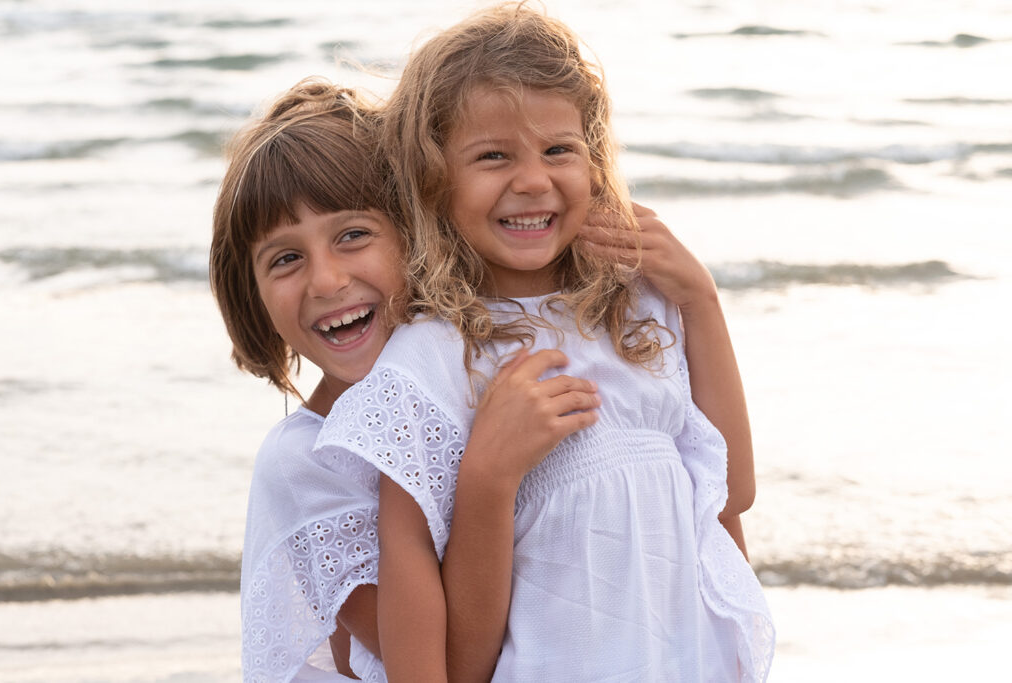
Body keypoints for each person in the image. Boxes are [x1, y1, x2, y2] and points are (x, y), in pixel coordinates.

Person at [314, 4, 774, 682]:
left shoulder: (639, 311)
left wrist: (700, 300)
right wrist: (487, 474)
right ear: (434, 181)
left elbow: (730, 495)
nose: (533, 180)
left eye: (559, 149)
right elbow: (440, 650)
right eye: (493, 155)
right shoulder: (433, 359)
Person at [209, 77, 601, 681]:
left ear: (420, 234)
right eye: (285, 258)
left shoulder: (500, 365)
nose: (325, 280)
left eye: (353, 235)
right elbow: (440, 664)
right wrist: (488, 476)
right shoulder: (306, 462)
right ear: (251, 294)